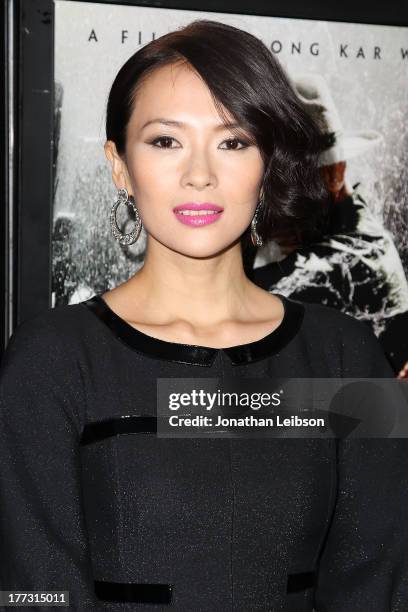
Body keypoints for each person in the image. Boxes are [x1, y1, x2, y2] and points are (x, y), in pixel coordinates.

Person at [1, 20, 407, 611]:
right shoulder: (52, 362)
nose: (199, 174)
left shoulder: (346, 357)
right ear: (120, 165)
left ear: (266, 163)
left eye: (233, 141)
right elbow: (31, 589)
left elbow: (383, 580)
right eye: (166, 141)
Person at [251, 73, 408, 374]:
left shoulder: (356, 259)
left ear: (336, 174)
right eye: (272, 187)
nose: (278, 206)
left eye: (295, 187)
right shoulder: (345, 218)